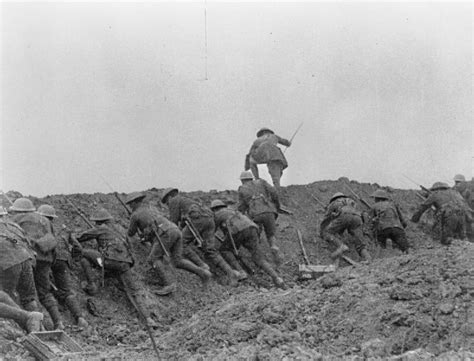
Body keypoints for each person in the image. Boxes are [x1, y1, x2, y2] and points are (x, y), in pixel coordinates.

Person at [77, 208, 154, 325]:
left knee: (83, 253)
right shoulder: (119, 230)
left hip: (108, 261)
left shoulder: (101, 228)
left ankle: (92, 284)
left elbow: (81, 237)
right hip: (125, 264)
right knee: (134, 291)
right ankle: (148, 319)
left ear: (99, 221)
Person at [126, 192, 212, 295]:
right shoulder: (150, 208)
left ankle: (168, 284)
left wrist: (132, 220)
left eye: (131, 203)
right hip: (175, 230)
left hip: (165, 233)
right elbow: (152, 227)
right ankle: (203, 273)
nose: (130, 206)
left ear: (136, 202)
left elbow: (130, 233)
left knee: (153, 259)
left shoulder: (135, 214)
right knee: (177, 261)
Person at [161, 188, 241, 283]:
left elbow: (173, 221)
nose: (167, 204)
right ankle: (231, 273)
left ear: (169, 197)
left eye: (167, 202)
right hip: (210, 220)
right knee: (210, 249)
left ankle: (202, 265)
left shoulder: (174, 200)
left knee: (182, 243)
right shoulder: (186, 200)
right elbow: (184, 219)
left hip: (198, 220)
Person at [9, 198, 64, 330]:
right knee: (45, 292)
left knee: (28, 294)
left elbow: (13, 238)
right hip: (46, 259)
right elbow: (53, 240)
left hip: (28, 258)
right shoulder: (44, 220)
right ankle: (58, 323)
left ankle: (38, 326)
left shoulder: (16, 219)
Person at [210, 200, 286, 289]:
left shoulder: (218, 214)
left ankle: (241, 272)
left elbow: (211, 230)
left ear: (214, 209)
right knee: (258, 257)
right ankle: (276, 278)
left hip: (238, 231)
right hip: (253, 228)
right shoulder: (233, 210)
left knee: (225, 250)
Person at [37, 205, 88, 329]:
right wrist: (74, 260)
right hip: (63, 260)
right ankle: (80, 318)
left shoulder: (39, 227)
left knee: (44, 291)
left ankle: (58, 323)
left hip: (46, 258)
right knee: (66, 291)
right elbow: (78, 247)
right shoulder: (63, 229)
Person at [0, 206, 41, 319]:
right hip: (26, 260)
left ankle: (24, 324)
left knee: (7, 297)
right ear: (4, 215)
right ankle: (40, 327)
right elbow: (29, 243)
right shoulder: (14, 226)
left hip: (8, 263)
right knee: (29, 298)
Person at [237, 170, 283, 266]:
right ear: (251, 178)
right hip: (270, 211)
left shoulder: (242, 188)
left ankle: (258, 255)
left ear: (242, 180)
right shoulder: (262, 182)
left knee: (256, 234)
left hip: (255, 214)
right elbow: (274, 192)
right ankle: (274, 247)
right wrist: (276, 205)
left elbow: (242, 206)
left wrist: (239, 216)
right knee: (271, 234)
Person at [319, 192, 372, 263]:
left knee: (327, 232)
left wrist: (322, 231)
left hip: (344, 216)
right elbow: (358, 214)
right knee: (358, 241)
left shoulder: (334, 203)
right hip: (357, 218)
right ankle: (368, 258)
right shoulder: (351, 201)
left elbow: (326, 219)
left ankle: (341, 246)